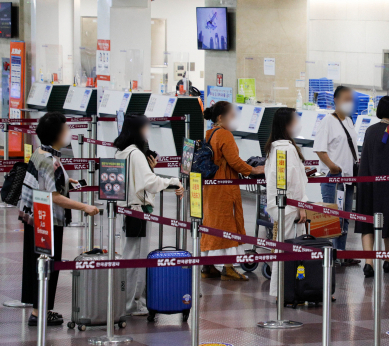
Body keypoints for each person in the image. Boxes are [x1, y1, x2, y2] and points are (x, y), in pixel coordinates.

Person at [19, 112, 100, 326]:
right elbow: (54, 197)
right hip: (47, 222)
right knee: (47, 265)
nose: (69, 133)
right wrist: (85, 206)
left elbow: (46, 182)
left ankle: (39, 310)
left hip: (33, 218)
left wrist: (66, 180)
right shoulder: (49, 160)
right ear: (56, 134)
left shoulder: (41, 151)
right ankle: (39, 313)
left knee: (36, 263)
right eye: (65, 130)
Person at [114, 113, 184, 316]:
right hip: (138, 211)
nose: (148, 132)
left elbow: (140, 178)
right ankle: (132, 304)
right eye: (145, 128)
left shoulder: (122, 151)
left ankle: (127, 301)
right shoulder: (135, 153)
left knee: (129, 257)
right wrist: (172, 181)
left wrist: (150, 170)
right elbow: (149, 183)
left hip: (127, 211)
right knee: (136, 259)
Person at [200, 101, 264, 280]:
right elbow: (234, 161)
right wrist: (253, 170)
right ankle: (228, 267)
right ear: (221, 118)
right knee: (228, 223)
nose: (235, 119)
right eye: (232, 115)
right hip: (225, 186)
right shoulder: (224, 134)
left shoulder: (209, 133)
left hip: (211, 186)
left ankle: (208, 267)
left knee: (211, 223)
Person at [355, 96, 389, 277]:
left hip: (367, 184)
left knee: (367, 222)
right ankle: (388, 259)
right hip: (388, 184)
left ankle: (369, 262)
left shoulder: (369, 130)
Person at [312, 86, 361, 266]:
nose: (350, 102)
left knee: (344, 218)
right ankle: (328, 256)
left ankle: (340, 254)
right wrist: (333, 168)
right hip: (333, 178)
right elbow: (319, 148)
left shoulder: (348, 120)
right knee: (331, 218)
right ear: (336, 101)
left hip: (347, 179)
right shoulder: (327, 121)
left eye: (351, 99)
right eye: (346, 99)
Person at [264, 107, 308, 297]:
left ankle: (280, 289)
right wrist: (302, 206)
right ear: (287, 125)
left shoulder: (273, 147)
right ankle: (288, 289)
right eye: (295, 120)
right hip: (290, 207)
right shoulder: (287, 149)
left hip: (279, 206)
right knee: (291, 251)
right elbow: (294, 182)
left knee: (281, 249)